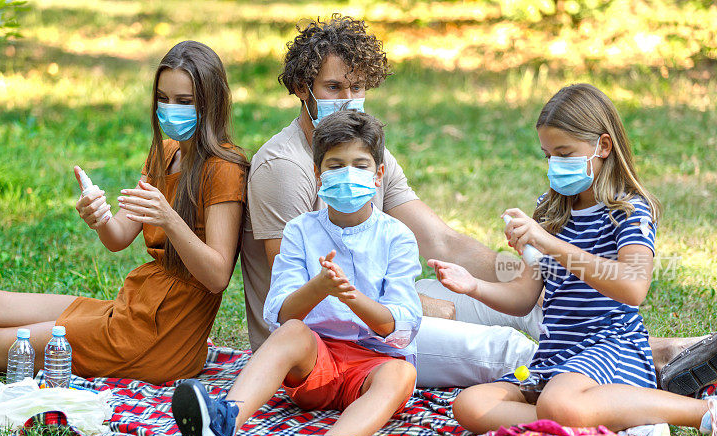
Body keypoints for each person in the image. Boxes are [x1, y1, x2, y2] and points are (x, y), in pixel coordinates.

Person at [240, 13, 715, 392]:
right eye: (334, 88)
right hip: (334, 342)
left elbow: (439, 238)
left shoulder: (365, 153)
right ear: (303, 89)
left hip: (386, 307)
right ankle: (636, 378)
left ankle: (654, 352)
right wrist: (422, 305)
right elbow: (301, 292)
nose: (349, 100)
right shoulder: (284, 167)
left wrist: (525, 272)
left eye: (358, 87)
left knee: (533, 303)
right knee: (507, 346)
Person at [0, 41, 248, 385]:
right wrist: (100, 218)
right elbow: (118, 237)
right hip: (133, 308)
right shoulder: (167, 152)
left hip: (161, 338)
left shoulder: (223, 167)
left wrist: (169, 219)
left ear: (210, 104)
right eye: (163, 98)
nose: (169, 109)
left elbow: (217, 276)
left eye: (184, 101)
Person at [430, 84, 717, 436]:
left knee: (557, 405)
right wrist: (472, 287)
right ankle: (615, 428)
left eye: (564, 154)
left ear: (603, 146)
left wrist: (549, 244)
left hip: (612, 348)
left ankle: (702, 412)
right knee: (471, 405)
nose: (554, 165)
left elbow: (633, 287)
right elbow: (523, 297)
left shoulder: (630, 210)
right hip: (557, 356)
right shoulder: (550, 212)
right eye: (548, 155)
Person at [172, 110, 421, 436]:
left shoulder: (397, 237)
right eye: (335, 165)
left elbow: (399, 325)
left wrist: (352, 297)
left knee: (401, 375)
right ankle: (224, 422)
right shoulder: (300, 231)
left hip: (372, 363)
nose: (347, 174)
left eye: (359, 164)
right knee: (292, 331)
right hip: (315, 363)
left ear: (379, 174)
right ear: (318, 175)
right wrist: (320, 287)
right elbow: (279, 314)